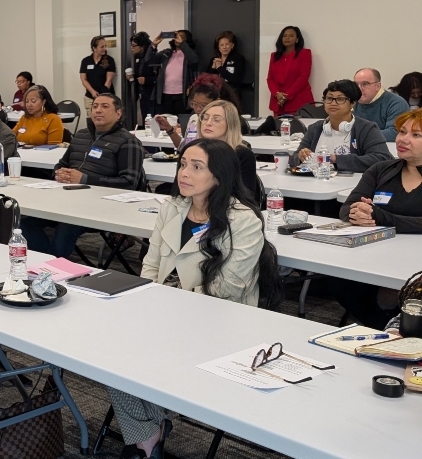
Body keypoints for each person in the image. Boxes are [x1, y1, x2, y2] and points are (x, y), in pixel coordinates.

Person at [110, 138, 279, 459]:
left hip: (220, 324)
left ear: (220, 176)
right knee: (104, 347)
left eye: (196, 167)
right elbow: (151, 265)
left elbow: (227, 289)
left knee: (137, 349)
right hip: (165, 312)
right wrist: (143, 305)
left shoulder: (243, 220)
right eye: (183, 164)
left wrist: (164, 311)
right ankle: (148, 431)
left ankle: (146, 436)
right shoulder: (172, 208)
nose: (184, 173)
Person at [20, 94, 145, 257]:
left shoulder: (128, 142)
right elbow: (61, 165)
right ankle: (47, 263)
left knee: (66, 227)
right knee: (25, 223)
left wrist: (85, 179)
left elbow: (129, 184)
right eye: (95, 106)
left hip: (100, 207)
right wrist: (60, 173)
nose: (98, 110)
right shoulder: (81, 135)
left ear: (118, 113)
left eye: (105, 107)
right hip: (67, 201)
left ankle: (51, 271)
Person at [331, 109, 422, 327]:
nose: (403, 139)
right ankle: (382, 327)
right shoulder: (381, 169)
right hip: (374, 253)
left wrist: (381, 217)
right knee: (337, 278)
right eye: (402, 132)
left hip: (415, 260)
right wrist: (358, 212)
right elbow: (346, 208)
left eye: (415, 135)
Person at [291, 80, 393, 173]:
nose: (333, 103)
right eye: (329, 98)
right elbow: (293, 159)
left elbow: (382, 158)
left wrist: (336, 159)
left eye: (340, 99)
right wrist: (300, 157)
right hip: (316, 183)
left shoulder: (366, 128)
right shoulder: (315, 128)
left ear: (352, 103)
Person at [154, 73, 247, 147]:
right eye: (194, 104)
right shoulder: (193, 119)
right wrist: (169, 129)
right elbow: (185, 147)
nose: (198, 109)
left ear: (217, 102)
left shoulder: (223, 122)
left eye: (203, 105)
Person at [266, 26, 314, 117]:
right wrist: (277, 94)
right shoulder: (275, 56)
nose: (287, 38)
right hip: (279, 103)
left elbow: (303, 77)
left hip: (298, 102)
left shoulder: (304, 54)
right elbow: (270, 79)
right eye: (285, 36)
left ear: (297, 40)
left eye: (291, 36)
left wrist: (286, 96)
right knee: (279, 129)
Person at [353, 68, 410, 142]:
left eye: (365, 84)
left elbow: (395, 133)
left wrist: (359, 135)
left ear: (377, 86)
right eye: (356, 85)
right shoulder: (350, 101)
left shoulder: (396, 103)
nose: (359, 89)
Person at [150, 30, 199, 116]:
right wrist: (154, 45)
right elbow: (149, 61)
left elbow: (194, 60)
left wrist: (183, 44)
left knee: (181, 122)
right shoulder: (167, 53)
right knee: (166, 121)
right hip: (165, 95)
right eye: (176, 36)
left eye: (182, 37)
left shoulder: (189, 54)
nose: (178, 38)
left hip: (182, 95)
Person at [80, 36, 116, 113]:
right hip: (90, 96)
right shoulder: (86, 61)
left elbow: (109, 80)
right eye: (102, 47)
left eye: (105, 46)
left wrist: (102, 94)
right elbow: (83, 79)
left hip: (106, 96)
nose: (104, 48)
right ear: (94, 48)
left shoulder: (110, 60)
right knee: (91, 120)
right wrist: (92, 92)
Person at [128, 32, 159, 120]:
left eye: (134, 46)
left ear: (142, 46)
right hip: (142, 93)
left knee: (153, 117)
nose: (132, 48)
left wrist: (147, 80)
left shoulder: (153, 57)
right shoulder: (137, 57)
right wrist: (132, 77)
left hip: (152, 93)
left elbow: (160, 77)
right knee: (145, 117)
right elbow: (139, 75)